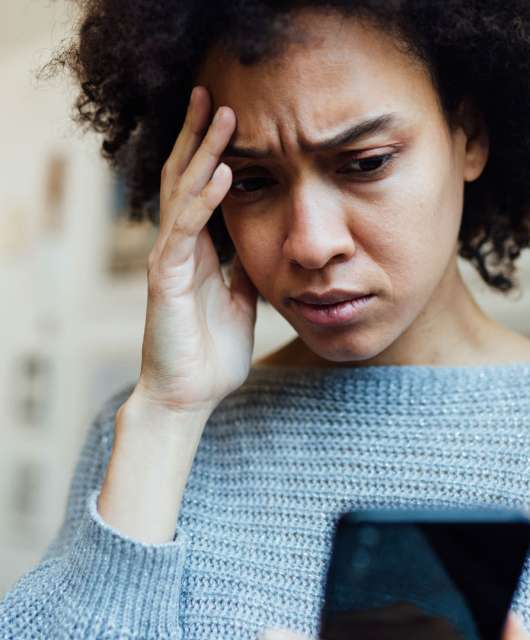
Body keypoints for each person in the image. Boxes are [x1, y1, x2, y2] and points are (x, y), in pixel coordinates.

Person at [2, 1, 530, 638]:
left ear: (468, 136)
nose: (310, 243)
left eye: (365, 163)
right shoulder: (148, 432)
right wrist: (167, 417)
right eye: (252, 181)